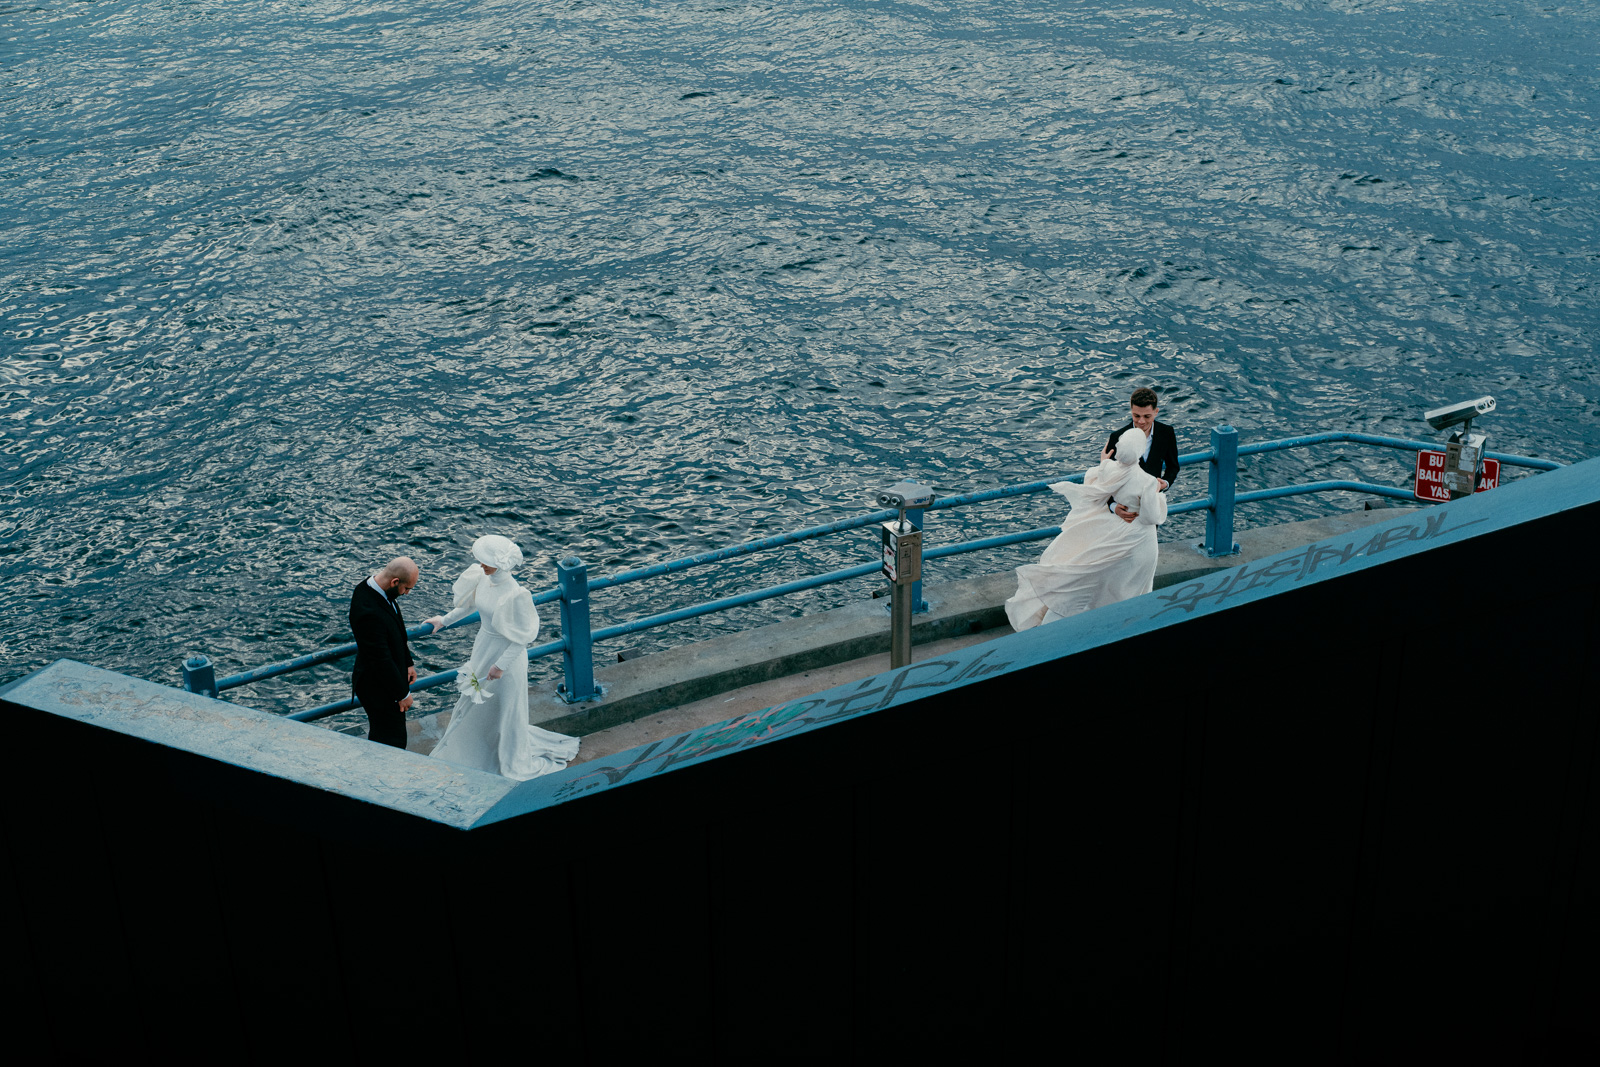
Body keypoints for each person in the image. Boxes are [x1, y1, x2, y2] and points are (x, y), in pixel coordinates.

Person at [423, 535, 579, 780]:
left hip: (507, 657)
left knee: (504, 707)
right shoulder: (481, 578)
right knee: (477, 703)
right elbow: (468, 606)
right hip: (483, 647)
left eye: (487, 561)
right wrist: (443, 621)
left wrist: (500, 665)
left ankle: (505, 754)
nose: (481, 564)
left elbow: (523, 638)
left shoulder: (516, 594)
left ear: (500, 564)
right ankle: (476, 749)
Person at [1005, 427, 1168, 630]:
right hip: (1140, 539)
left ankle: (1063, 620)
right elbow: (1151, 517)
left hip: (1115, 531)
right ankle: (1128, 626)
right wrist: (1158, 492)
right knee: (1134, 584)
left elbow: (1098, 477)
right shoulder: (1147, 481)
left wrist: (1104, 462)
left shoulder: (1109, 469)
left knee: (1099, 580)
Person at [349, 556, 422, 749]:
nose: (407, 593)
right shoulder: (368, 610)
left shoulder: (378, 591)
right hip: (378, 686)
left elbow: (396, 630)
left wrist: (408, 662)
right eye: (406, 588)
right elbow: (380, 658)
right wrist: (402, 694)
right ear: (395, 581)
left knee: (389, 736)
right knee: (391, 740)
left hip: (387, 678)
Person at [1106, 386, 1179, 523]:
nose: (1141, 421)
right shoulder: (1116, 437)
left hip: (1151, 507)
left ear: (1156, 412)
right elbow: (1106, 478)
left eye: (1147, 416)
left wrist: (1165, 483)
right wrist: (1113, 507)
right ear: (1131, 411)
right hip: (1123, 510)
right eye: (1136, 416)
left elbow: (1173, 466)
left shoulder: (1166, 433)